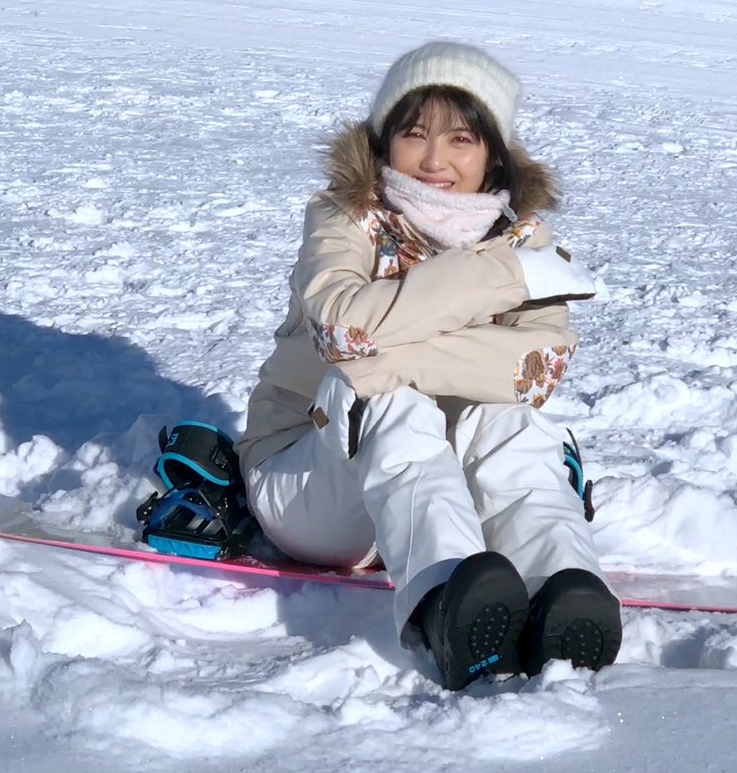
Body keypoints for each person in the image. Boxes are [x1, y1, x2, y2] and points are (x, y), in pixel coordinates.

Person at [235, 41, 622, 691]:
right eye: (414, 134)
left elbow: (538, 370)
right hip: (312, 483)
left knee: (511, 420)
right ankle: (447, 605)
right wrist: (494, 276)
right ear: (386, 140)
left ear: (494, 153)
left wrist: (385, 354)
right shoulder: (346, 218)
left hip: (454, 482)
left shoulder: (526, 241)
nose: (435, 160)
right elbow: (341, 323)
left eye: (461, 139)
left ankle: (563, 591)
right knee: (392, 401)